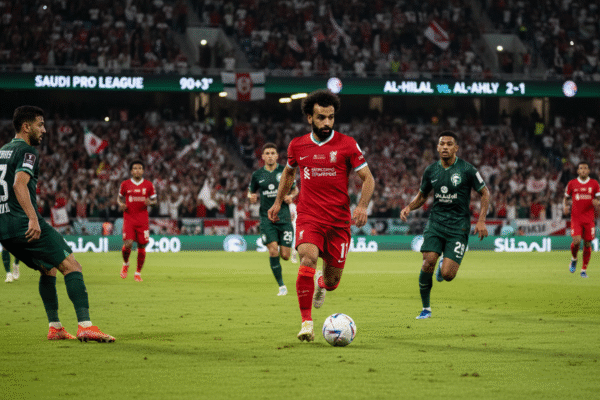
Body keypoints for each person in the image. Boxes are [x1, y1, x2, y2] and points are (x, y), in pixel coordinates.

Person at [268, 89, 375, 342]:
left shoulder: (347, 144)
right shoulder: (297, 145)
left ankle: (321, 284)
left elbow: (368, 178)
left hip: (338, 221)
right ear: (310, 118)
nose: (327, 122)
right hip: (309, 215)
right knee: (307, 258)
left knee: (333, 281)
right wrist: (277, 202)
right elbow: (288, 174)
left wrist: (362, 206)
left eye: (331, 117)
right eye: (321, 117)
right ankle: (306, 323)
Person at [0, 106, 114, 342]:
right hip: (23, 222)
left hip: (4, 228)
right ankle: (86, 326)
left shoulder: (2, 152)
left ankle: (55, 327)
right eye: (40, 125)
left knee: (48, 268)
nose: (44, 130)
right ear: (26, 127)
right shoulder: (27, 151)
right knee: (72, 266)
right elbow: (19, 184)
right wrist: (33, 218)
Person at [400, 131, 490, 320]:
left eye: (449, 144)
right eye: (442, 144)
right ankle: (426, 308)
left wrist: (481, 220)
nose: (445, 147)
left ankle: (443, 267)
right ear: (437, 147)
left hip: (459, 227)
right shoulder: (431, 170)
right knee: (428, 261)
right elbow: (422, 195)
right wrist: (409, 207)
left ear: (456, 148)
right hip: (436, 223)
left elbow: (485, 193)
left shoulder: (467, 169)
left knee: (448, 275)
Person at [248, 143, 299, 296]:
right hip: (266, 219)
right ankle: (281, 286)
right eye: (267, 153)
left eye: (272, 153)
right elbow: (250, 192)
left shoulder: (285, 171)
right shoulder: (257, 175)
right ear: (263, 157)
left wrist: (291, 196)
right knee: (273, 250)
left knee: (285, 255)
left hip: (284, 218)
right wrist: (251, 197)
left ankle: (291, 254)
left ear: (277, 156)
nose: (270, 156)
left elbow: (295, 189)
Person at [118, 160, 157, 282]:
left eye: (140, 168)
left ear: (143, 171)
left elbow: (155, 201)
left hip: (143, 219)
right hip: (129, 218)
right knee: (128, 244)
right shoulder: (125, 184)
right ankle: (126, 263)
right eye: (135, 168)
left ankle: (138, 272)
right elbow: (119, 198)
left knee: (141, 245)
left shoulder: (149, 185)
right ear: (131, 171)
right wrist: (121, 204)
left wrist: (150, 202)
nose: (137, 170)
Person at [564, 161, 600, 278]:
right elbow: (566, 197)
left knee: (587, 243)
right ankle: (574, 259)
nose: (583, 170)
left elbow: (599, 199)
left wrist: (598, 203)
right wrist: (565, 206)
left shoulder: (594, 184)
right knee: (576, 241)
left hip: (589, 219)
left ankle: (583, 270)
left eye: (585, 168)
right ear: (578, 171)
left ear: (588, 171)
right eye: (581, 168)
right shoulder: (572, 183)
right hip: (576, 218)